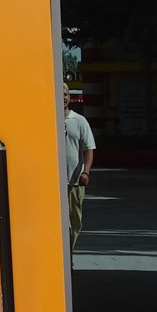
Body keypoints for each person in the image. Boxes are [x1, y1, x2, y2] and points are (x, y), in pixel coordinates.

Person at [64, 88, 96, 248]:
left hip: (75, 182)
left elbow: (89, 148)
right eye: (59, 94)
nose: (63, 98)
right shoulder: (48, 120)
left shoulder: (79, 121)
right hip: (54, 183)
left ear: (69, 97)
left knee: (74, 221)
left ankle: (69, 251)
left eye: (65, 94)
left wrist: (86, 172)